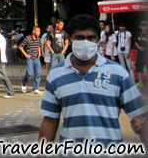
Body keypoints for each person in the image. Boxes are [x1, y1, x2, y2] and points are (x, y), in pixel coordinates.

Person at [39, 14, 148, 146]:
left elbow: (139, 116)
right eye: (79, 37)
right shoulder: (56, 75)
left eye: (91, 38)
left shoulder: (118, 73)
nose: (86, 42)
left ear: (98, 40)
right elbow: (50, 120)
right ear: (70, 39)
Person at [19, 26, 42, 94]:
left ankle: (35, 88)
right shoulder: (28, 38)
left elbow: (39, 46)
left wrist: (39, 53)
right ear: (33, 31)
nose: (39, 33)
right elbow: (20, 46)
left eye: (39, 31)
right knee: (29, 73)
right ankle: (24, 83)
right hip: (30, 58)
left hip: (37, 58)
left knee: (38, 74)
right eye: (37, 31)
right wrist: (26, 55)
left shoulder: (38, 39)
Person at [134, 20, 148, 87]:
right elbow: (135, 41)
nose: (144, 27)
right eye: (143, 26)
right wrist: (138, 47)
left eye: (146, 26)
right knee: (139, 67)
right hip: (140, 54)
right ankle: (140, 82)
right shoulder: (138, 34)